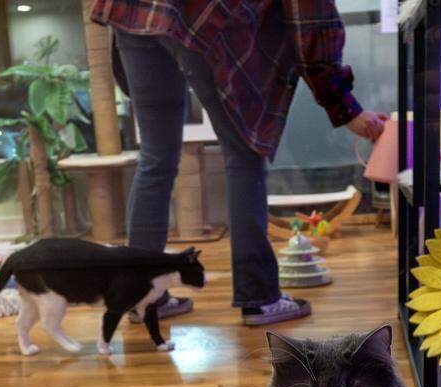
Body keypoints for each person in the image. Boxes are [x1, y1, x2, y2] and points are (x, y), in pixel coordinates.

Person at [91, 0, 387, 325]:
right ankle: (259, 297)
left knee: (155, 157)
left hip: (134, 10)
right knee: (244, 154)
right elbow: (311, 17)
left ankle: (141, 297)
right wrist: (345, 107)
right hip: (198, 13)